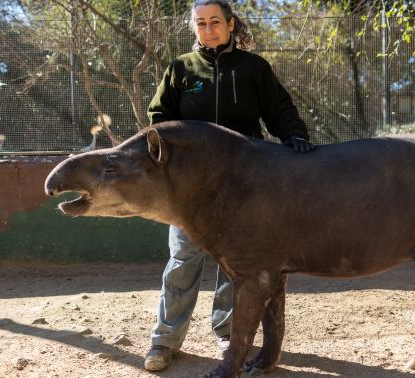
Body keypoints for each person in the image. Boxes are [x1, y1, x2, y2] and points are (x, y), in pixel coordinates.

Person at [144, 0, 315, 371]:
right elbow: (158, 119)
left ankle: (228, 332)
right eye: (201, 23)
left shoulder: (254, 68)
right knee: (183, 259)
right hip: (189, 191)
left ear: (231, 24)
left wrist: (294, 136)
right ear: (194, 28)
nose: (208, 29)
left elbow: (279, 109)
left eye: (215, 22)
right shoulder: (180, 70)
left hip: (245, 187)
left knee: (235, 265)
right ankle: (165, 340)